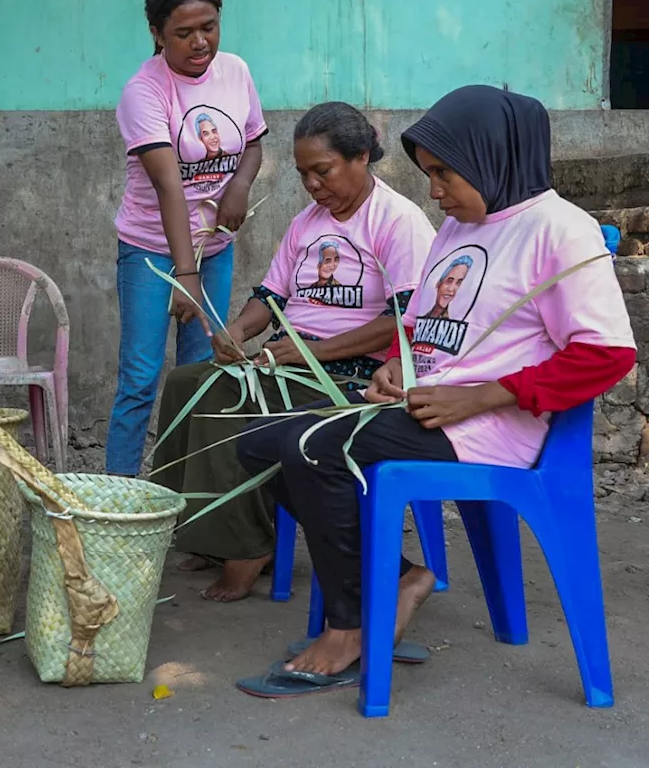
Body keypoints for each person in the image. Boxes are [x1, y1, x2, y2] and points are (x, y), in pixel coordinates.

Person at [233, 85, 636, 695]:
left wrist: (481, 397)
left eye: (445, 173)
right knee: (258, 443)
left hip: (493, 425)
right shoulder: (458, 227)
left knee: (315, 448)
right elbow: (419, 324)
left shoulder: (559, 230)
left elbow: (607, 356)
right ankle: (396, 579)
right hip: (431, 408)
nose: (435, 191)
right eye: (429, 174)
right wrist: (397, 365)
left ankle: (347, 626)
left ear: (492, 157)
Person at [154, 102, 434, 602]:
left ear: (361, 156)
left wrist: (310, 354)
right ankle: (203, 530)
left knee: (223, 400)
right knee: (183, 384)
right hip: (291, 362)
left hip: (350, 375)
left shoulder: (397, 220)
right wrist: (236, 331)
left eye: (322, 171)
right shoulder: (308, 223)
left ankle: (246, 547)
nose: (312, 185)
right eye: (304, 174)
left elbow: (402, 320)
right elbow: (270, 299)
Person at [106, 0, 267, 478]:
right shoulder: (144, 92)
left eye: (210, 27)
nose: (201, 42)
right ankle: (119, 501)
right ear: (157, 32)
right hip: (154, 255)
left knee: (200, 376)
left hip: (214, 250)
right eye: (184, 33)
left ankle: (186, 505)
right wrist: (185, 276)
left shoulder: (236, 71)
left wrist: (239, 187)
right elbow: (169, 185)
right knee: (140, 377)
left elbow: (254, 140)